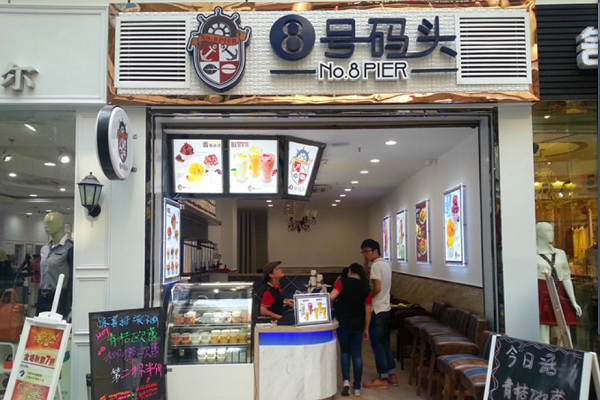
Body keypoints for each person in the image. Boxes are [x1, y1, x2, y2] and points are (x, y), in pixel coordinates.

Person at [360, 238, 398, 389]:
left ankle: (382, 378)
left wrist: (366, 298)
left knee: (378, 345)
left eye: (366, 251)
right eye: (363, 252)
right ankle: (392, 375)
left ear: (376, 251)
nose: (365, 255)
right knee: (385, 344)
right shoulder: (386, 264)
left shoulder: (376, 265)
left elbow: (377, 287)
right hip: (386, 309)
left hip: (377, 310)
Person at [330, 263, 372, 397]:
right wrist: (366, 328)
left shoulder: (342, 282)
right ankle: (357, 387)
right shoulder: (366, 288)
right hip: (358, 324)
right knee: (357, 355)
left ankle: (346, 382)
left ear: (350, 271)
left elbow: (332, 296)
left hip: (343, 323)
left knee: (345, 352)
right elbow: (368, 310)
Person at [536, 222, 582, 344]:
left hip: (558, 294)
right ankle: (544, 355)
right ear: (539, 233)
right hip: (541, 295)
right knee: (543, 334)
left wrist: (573, 301)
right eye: (548, 230)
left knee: (564, 333)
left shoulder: (560, 253)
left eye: (552, 230)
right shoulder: (531, 254)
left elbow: (566, 277)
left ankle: (565, 354)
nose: (552, 233)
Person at [37, 212, 73, 318]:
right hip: (42, 297)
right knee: (40, 327)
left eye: (50, 222)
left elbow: (73, 280)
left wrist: (72, 305)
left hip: (60, 299)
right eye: (45, 223)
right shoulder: (44, 249)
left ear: (61, 224)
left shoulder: (70, 248)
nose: (45, 226)